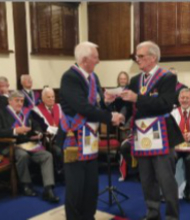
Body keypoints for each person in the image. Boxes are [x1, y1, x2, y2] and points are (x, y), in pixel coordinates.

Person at [60, 42, 121, 220]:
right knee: (76, 186)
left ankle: (88, 216)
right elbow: (83, 107)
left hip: (91, 138)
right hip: (75, 139)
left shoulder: (93, 77)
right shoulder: (70, 77)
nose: (98, 60)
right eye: (95, 57)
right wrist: (110, 117)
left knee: (91, 185)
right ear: (85, 59)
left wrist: (107, 102)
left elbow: (97, 104)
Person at [123, 41, 181, 220]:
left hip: (161, 133)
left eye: (140, 56)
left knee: (166, 179)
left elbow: (165, 104)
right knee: (147, 178)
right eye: (136, 57)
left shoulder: (167, 77)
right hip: (141, 134)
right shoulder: (134, 80)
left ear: (153, 58)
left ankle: (172, 215)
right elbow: (128, 104)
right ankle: (152, 212)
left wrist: (138, 99)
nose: (137, 60)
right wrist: (115, 106)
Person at [0, 92, 60, 203]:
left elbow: (36, 124)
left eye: (22, 101)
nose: (20, 103)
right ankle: (26, 185)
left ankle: (48, 188)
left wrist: (38, 133)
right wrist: (14, 131)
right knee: (23, 155)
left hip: (28, 144)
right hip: (10, 146)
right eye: (17, 100)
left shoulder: (26, 112)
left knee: (47, 155)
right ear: (10, 101)